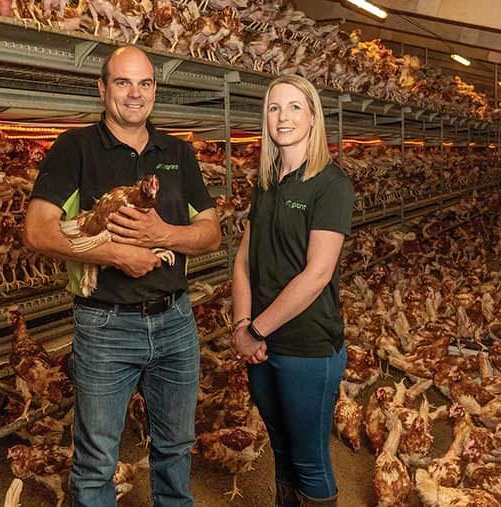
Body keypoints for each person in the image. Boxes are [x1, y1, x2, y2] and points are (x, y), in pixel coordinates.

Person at [23, 45, 221, 507]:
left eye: (146, 83)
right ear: (102, 89)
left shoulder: (177, 151)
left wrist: (164, 233)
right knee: (96, 463)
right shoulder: (75, 149)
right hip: (105, 325)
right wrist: (115, 254)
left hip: (175, 322)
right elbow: (36, 230)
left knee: (175, 449)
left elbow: (211, 234)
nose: (136, 93)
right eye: (123, 82)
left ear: (155, 90)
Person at [231, 74, 354, 507]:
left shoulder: (331, 185)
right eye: (274, 107)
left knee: (309, 458)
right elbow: (244, 260)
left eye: (294, 107)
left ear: (313, 116)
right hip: (261, 344)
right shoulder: (265, 183)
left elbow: (317, 274)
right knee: (279, 450)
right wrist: (242, 324)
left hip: (307, 345)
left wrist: (256, 331)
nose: (283, 117)